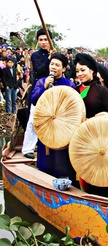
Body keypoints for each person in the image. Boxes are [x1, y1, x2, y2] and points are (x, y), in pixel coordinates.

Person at [69, 53, 108, 195]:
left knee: (96, 175)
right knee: (75, 172)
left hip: (96, 141)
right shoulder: (73, 92)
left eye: (83, 70)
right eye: (77, 71)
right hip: (77, 140)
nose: (80, 74)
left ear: (92, 71)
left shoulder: (102, 91)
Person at [30, 52, 76, 178]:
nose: (53, 67)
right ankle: (45, 177)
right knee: (46, 153)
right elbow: (34, 100)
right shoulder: (41, 81)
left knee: (61, 153)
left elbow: (74, 105)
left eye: (57, 65)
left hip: (63, 125)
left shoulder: (69, 85)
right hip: (46, 123)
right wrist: (44, 87)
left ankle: (63, 178)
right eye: (52, 64)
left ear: (64, 68)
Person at [21, 28, 56, 159]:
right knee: (33, 120)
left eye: (46, 39)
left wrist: (55, 58)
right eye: (40, 40)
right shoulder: (36, 55)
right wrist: (49, 58)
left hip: (53, 90)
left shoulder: (56, 54)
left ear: (50, 41)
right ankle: (28, 149)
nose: (43, 42)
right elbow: (40, 71)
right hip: (39, 89)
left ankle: (53, 147)